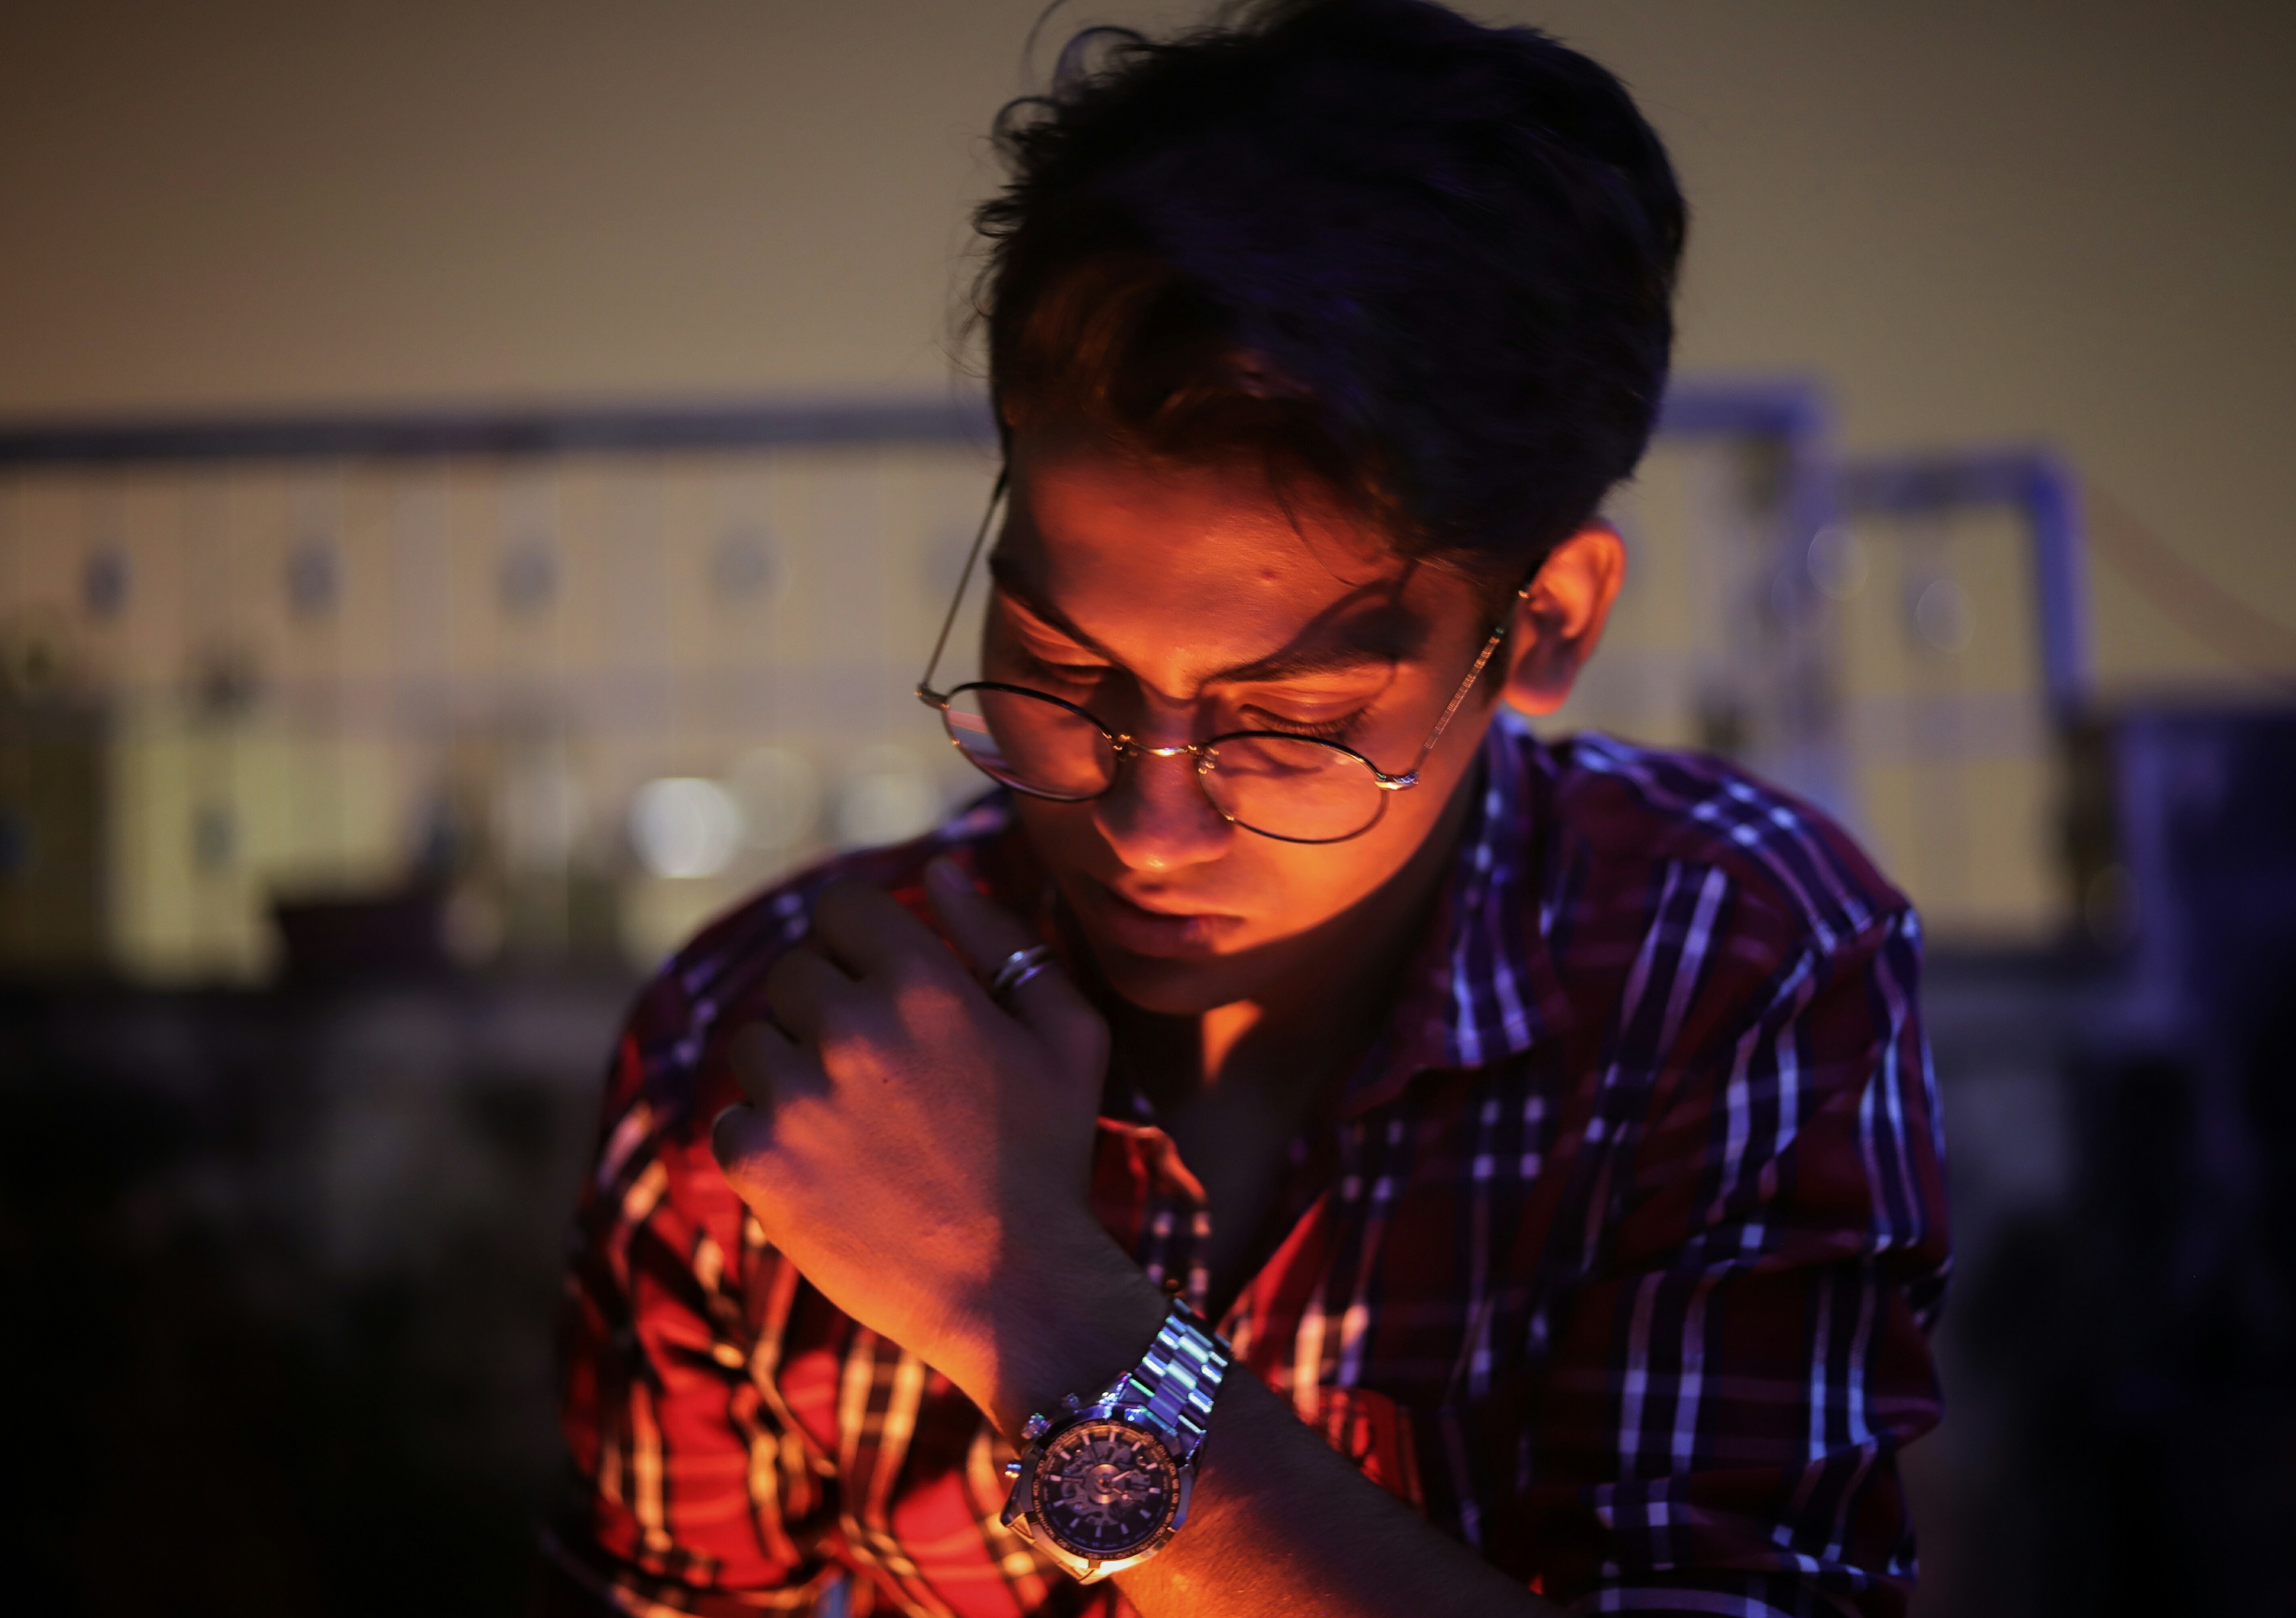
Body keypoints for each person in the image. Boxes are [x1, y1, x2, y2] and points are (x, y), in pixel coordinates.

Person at [539, 3, 1949, 1614]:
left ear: (1545, 623)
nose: (1143, 825)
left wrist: (1033, 1305)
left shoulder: (1724, 966)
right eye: (1058, 665)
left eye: (1289, 727)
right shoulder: (766, 1063)